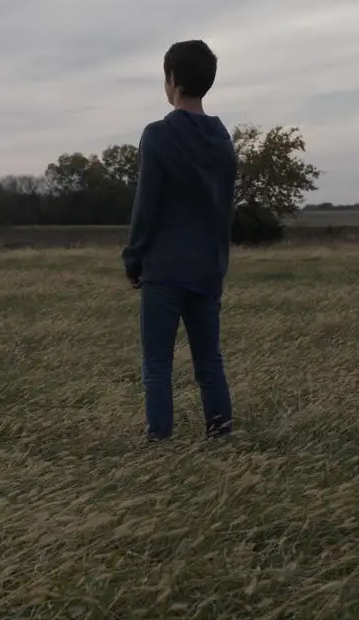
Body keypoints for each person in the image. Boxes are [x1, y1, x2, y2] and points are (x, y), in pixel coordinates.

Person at [121, 39, 238, 443]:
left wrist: (132, 259)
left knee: (157, 364)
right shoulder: (223, 141)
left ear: (172, 80)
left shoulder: (157, 136)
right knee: (209, 362)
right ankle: (220, 435)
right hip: (208, 268)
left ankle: (160, 444)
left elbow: (145, 208)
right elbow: (224, 211)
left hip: (164, 270)